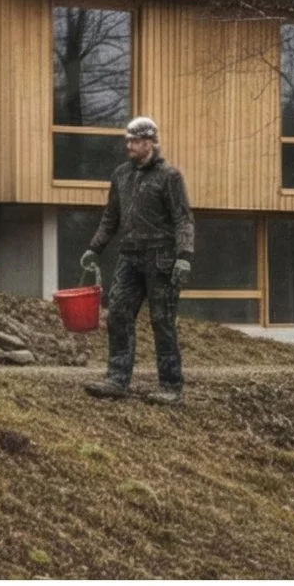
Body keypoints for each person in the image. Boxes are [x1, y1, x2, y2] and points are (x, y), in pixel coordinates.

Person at [77, 115, 194, 404]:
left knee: (162, 320)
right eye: (127, 140)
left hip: (161, 256)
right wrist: (95, 247)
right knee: (118, 312)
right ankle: (117, 379)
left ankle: (170, 386)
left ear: (150, 142)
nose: (129, 145)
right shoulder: (121, 175)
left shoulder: (170, 177)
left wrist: (184, 257)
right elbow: (110, 218)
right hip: (129, 255)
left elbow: (183, 219)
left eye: (135, 140)